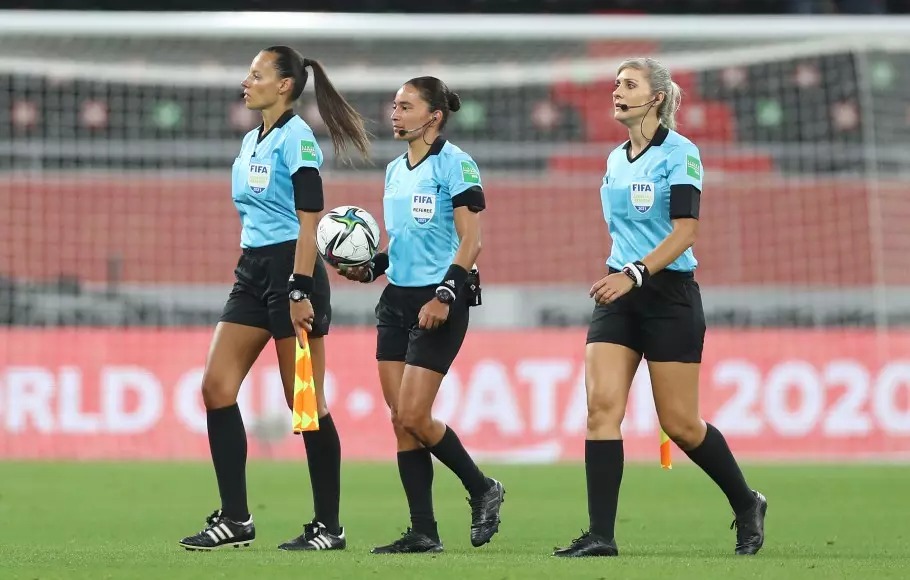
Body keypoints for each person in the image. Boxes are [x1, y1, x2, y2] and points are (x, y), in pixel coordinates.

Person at [553, 58, 767, 558]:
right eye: (614, 85)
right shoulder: (613, 158)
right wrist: (622, 275)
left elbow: (686, 232)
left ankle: (746, 501)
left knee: (681, 425)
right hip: (619, 294)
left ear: (655, 97)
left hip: (667, 294)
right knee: (601, 409)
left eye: (629, 85)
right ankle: (601, 536)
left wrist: (635, 274)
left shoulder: (682, 153)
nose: (616, 92)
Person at [178, 46, 370, 552]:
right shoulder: (249, 141)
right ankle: (237, 520)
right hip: (251, 269)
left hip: (292, 269)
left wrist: (300, 286)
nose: (247, 81)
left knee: (304, 403)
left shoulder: (298, 138)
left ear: (285, 85)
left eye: (257, 74)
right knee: (216, 387)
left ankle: (329, 527)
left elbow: (310, 220)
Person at [338, 76, 504, 554]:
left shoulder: (457, 165)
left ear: (434, 116)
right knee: (401, 419)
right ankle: (423, 531)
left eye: (406, 106)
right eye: (394, 105)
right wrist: (373, 266)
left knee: (414, 413)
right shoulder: (394, 170)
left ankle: (482, 488)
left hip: (440, 300)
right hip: (396, 301)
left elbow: (471, 241)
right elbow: (405, 241)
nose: (395, 113)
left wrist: (446, 295)